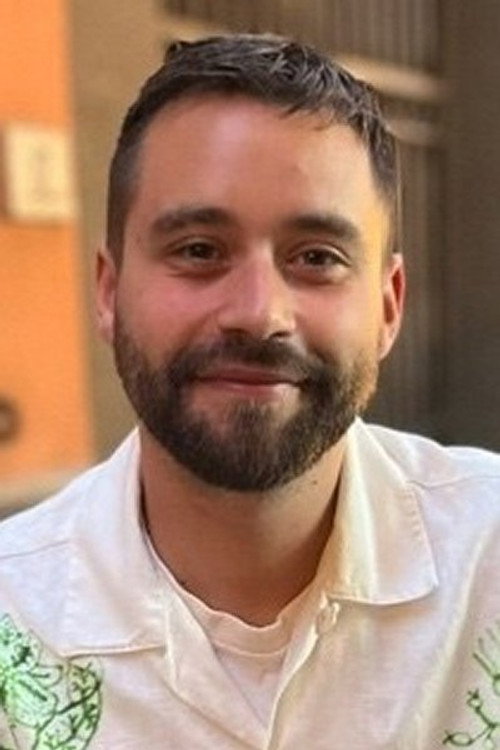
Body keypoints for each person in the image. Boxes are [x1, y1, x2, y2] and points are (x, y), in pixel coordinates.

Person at [0, 33, 499, 750]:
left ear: (389, 305)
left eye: (317, 257)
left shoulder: (488, 559)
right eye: (199, 250)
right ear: (109, 293)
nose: (260, 313)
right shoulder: (14, 614)